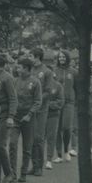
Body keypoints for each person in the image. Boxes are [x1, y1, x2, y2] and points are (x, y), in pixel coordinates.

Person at [10, 57, 42, 182]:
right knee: (12, 144)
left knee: (27, 147)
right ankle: (12, 173)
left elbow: (38, 101)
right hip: (15, 117)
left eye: (20, 68)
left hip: (29, 118)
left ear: (27, 69)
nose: (17, 69)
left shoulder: (35, 82)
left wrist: (29, 115)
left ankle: (23, 173)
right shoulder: (14, 81)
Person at [0, 52, 18, 183]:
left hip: (4, 116)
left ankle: (9, 173)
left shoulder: (7, 77)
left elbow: (13, 98)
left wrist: (11, 116)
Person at [30, 48, 53, 176]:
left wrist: (37, 100)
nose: (29, 58)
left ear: (37, 57)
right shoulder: (30, 70)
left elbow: (48, 91)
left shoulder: (47, 72)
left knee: (38, 138)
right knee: (31, 138)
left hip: (41, 109)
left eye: (31, 56)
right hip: (29, 109)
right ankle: (33, 165)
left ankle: (39, 166)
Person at [53, 50, 76, 162]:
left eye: (63, 57)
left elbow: (77, 87)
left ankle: (66, 150)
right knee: (57, 128)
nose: (61, 58)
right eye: (60, 57)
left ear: (67, 58)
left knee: (66, 127)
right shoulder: (54, 71)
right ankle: (59, 154)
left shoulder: (74, 71)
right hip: (57, 102)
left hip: (68, 102)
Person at [44, 73, 64, 167]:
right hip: (40, 115)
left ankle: (49, 159)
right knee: (38, 138)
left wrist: (48, 105)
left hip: (52, 115)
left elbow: (61, 101)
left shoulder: (57, 86)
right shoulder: (40, 84)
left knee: (51, 137)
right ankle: (38, 161)